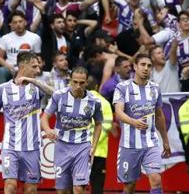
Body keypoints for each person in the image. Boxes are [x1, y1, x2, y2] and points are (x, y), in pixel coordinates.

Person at [0, 52, 54, 194]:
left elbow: (56, 94)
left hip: (32, 148)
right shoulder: (3, 89)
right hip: (10, 146)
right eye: (34, 66)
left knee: (30, 190)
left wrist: (33, 81)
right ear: (23, 65)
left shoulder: (36, 87)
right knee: (10, 186)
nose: (38, 70)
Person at [113, 53, 171, 194]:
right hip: (129, 145)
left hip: (150, 144)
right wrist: (134, 122)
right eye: (143, 65)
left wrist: (165, 140)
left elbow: (159, 116)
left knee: (156, 179)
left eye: (149, 66)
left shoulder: (155, 89)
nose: (146, 68)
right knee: (129, 186)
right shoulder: (122, 87)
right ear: (135, 66)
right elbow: (118, 112)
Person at [41, 66, 103, 194]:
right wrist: (47, 129)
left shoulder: (94, 101)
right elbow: (44, 117)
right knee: (62, 190)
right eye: (75, 82)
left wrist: (94, 146)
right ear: (70, 80)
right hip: (61, 146)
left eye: (81, 83)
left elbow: (98, 124)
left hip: (82, 147)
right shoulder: (59, 96)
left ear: (86, 82)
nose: (78, 86)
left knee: (79, 189)